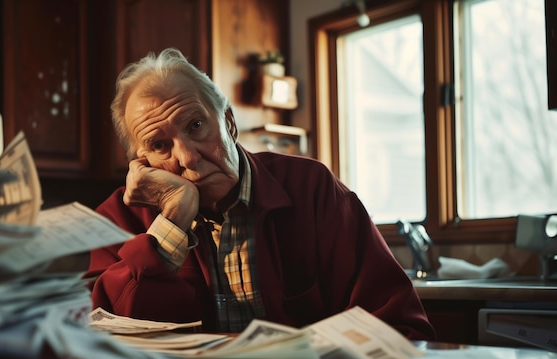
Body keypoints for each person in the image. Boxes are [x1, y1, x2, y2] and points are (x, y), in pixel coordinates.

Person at [85, 48, 435, 340]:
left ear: (229, 122)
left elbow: (401, 327)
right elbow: (92, 342)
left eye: (196, 125)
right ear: (141, 163)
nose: (188, 157)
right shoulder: (117, 219)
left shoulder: (312, 189)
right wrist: (171, 224)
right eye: (160, 145)